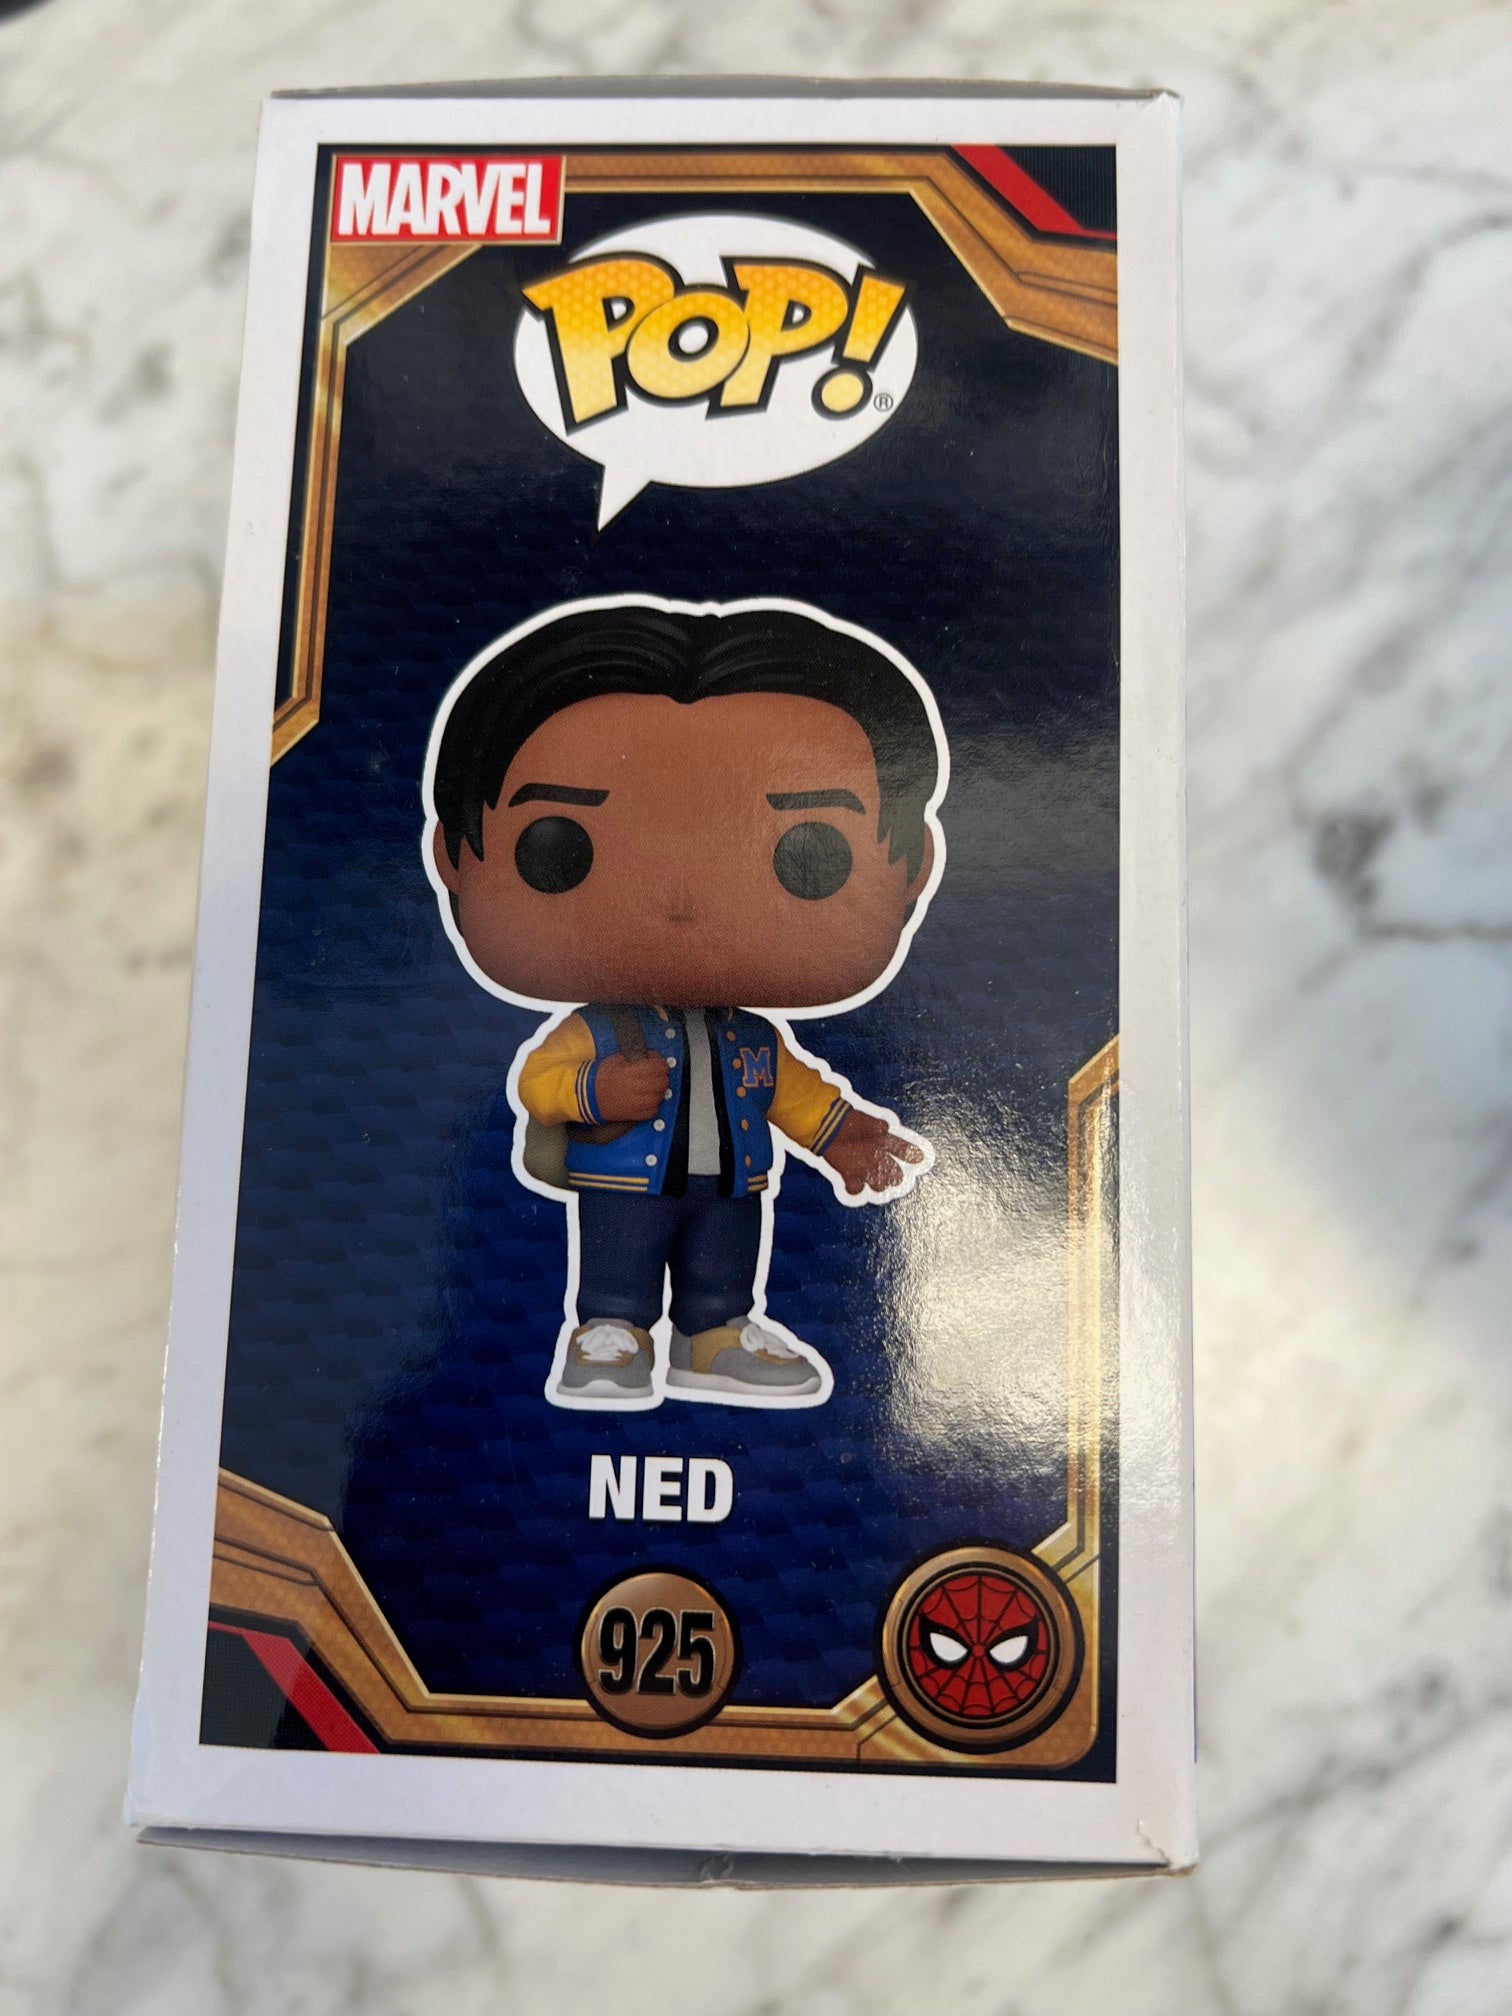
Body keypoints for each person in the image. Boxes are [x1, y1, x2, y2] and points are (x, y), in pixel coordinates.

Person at [425, 598, 947, 1409]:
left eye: (809, 855)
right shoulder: (600, 1027)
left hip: (732, 1184)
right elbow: (538, 1083)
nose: (679, 901)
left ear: (912, 871)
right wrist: (593, 1091)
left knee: (723, 1268)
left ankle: (716, 1334)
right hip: (624, 1181)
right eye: (559, 850)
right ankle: (612, 1330)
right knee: (620, 1264)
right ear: (455, 858)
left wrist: (843, 1135)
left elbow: (793, 1092)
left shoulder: (753, 1037)